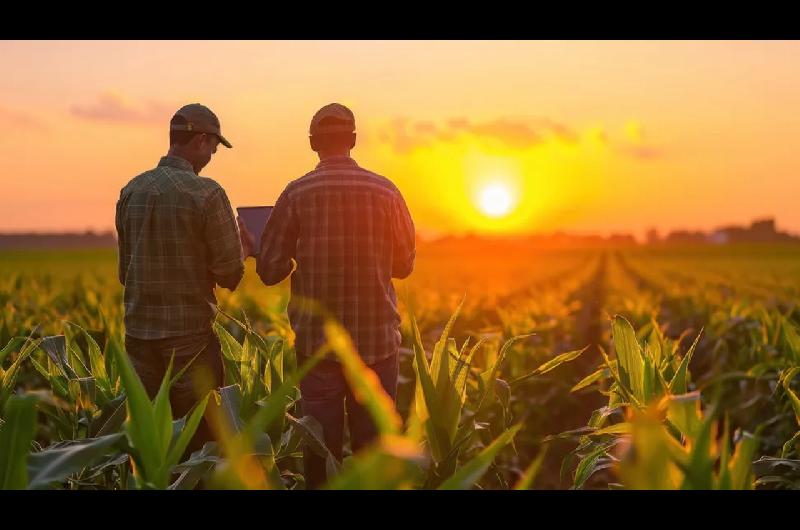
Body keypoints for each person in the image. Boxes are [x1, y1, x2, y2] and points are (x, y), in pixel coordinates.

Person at [239, 103, 416, 488]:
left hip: (317, 348)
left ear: (313, 144)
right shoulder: (386, 191)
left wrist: (253, 244)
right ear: (353, 140)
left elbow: (270, 272)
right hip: (377, 345)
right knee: (375, 454)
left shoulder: (296, 193)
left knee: (320, 453)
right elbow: (404, 266)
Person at [116, 103, 247, 457]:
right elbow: (229, 273)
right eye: (215, 148)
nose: (213, 156)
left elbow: (124, 270)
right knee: (197, 445)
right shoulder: (206, 193)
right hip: (190, 341)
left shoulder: (131, 190)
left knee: (147, 445)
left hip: (138, 338)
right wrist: (242, 247)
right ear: (202, 141)